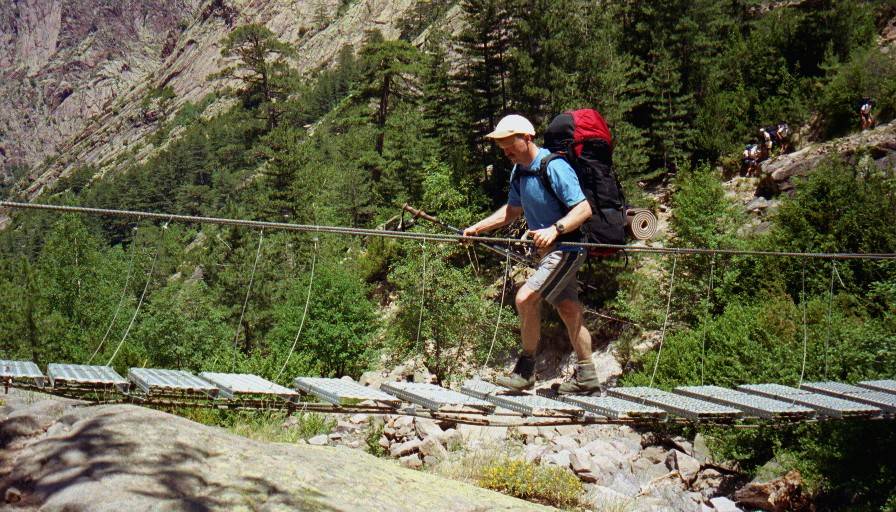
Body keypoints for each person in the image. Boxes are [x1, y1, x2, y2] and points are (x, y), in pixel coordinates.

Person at [462, 114, 599, 394]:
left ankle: (525, 371)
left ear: (527, 138)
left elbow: (584, 209)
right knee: (569, 310)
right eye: (502, 148)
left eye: (509, 145)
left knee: (525, 298)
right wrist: (478, 228)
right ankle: (588, 376)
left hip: (567, 248)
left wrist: (555, 229)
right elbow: (512, 211)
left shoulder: (554, 166)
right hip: (550, 252)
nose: (506, 152)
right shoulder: (520, 171)